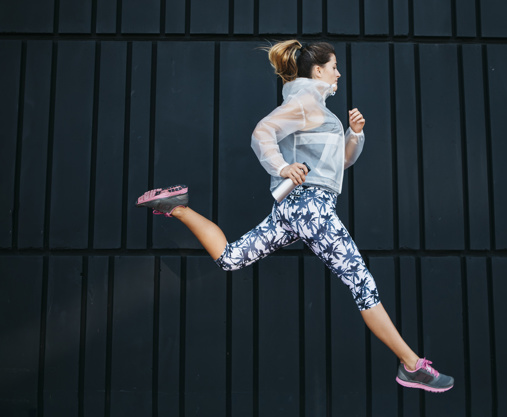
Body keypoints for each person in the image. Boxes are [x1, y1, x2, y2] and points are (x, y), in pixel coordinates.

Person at [136, 40, 453, 392]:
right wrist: (283, 167)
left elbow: (339, 164)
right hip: (311, 206)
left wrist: (355, 134)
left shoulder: (317, 108)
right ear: (318, 70)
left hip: (294, 208)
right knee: (362, 284)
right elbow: (262, 132)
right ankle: (411, 365)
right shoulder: (304, 102)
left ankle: (177, 207)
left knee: (231, 258)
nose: (338, 73)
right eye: (334, 67)